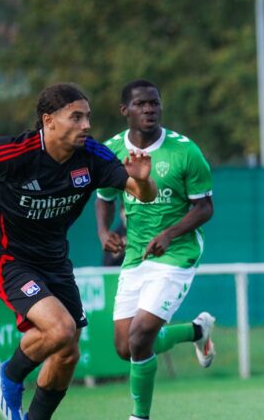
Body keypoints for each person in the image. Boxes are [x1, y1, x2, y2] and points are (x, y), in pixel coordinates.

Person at [0, 83, 157, 420]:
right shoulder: (14, 152)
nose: (86, 125)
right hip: (9, 259)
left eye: (87, 117)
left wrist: (143, 181)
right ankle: (10, 375)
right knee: (60, 329)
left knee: (68, 352)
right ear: (49, 120)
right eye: (76, 117)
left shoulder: (93, 156)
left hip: (55, 263)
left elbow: (142, 194)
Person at [95, 80, 215, 420]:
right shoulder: (111, 151)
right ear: (125, 111)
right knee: (125, 348)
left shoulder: (185, 151)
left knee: (141, 334)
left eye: (154, 103)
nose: (149, 109)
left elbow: (205, 208)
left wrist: (169, 234)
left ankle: (139, 416)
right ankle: (197, 331)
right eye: (141, 104)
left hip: (177, 253)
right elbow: (104, 199)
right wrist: (104, 232)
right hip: (135, 255)